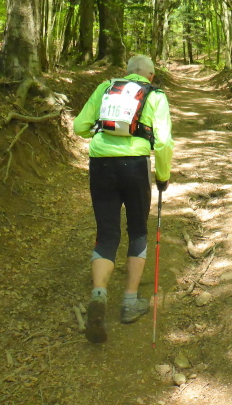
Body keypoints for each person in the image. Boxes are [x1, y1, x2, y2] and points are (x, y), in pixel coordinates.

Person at [73, 55, 173, 343]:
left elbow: (79, 127)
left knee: (107, 232)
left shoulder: (105, 88)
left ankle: (99, 294)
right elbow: (163, 141)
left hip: (101, 163)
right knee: (138, 230)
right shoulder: (155, 95)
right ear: (151, 76)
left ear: (126, 73)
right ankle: (130, 301)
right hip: (135, 164)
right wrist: (163, 176)